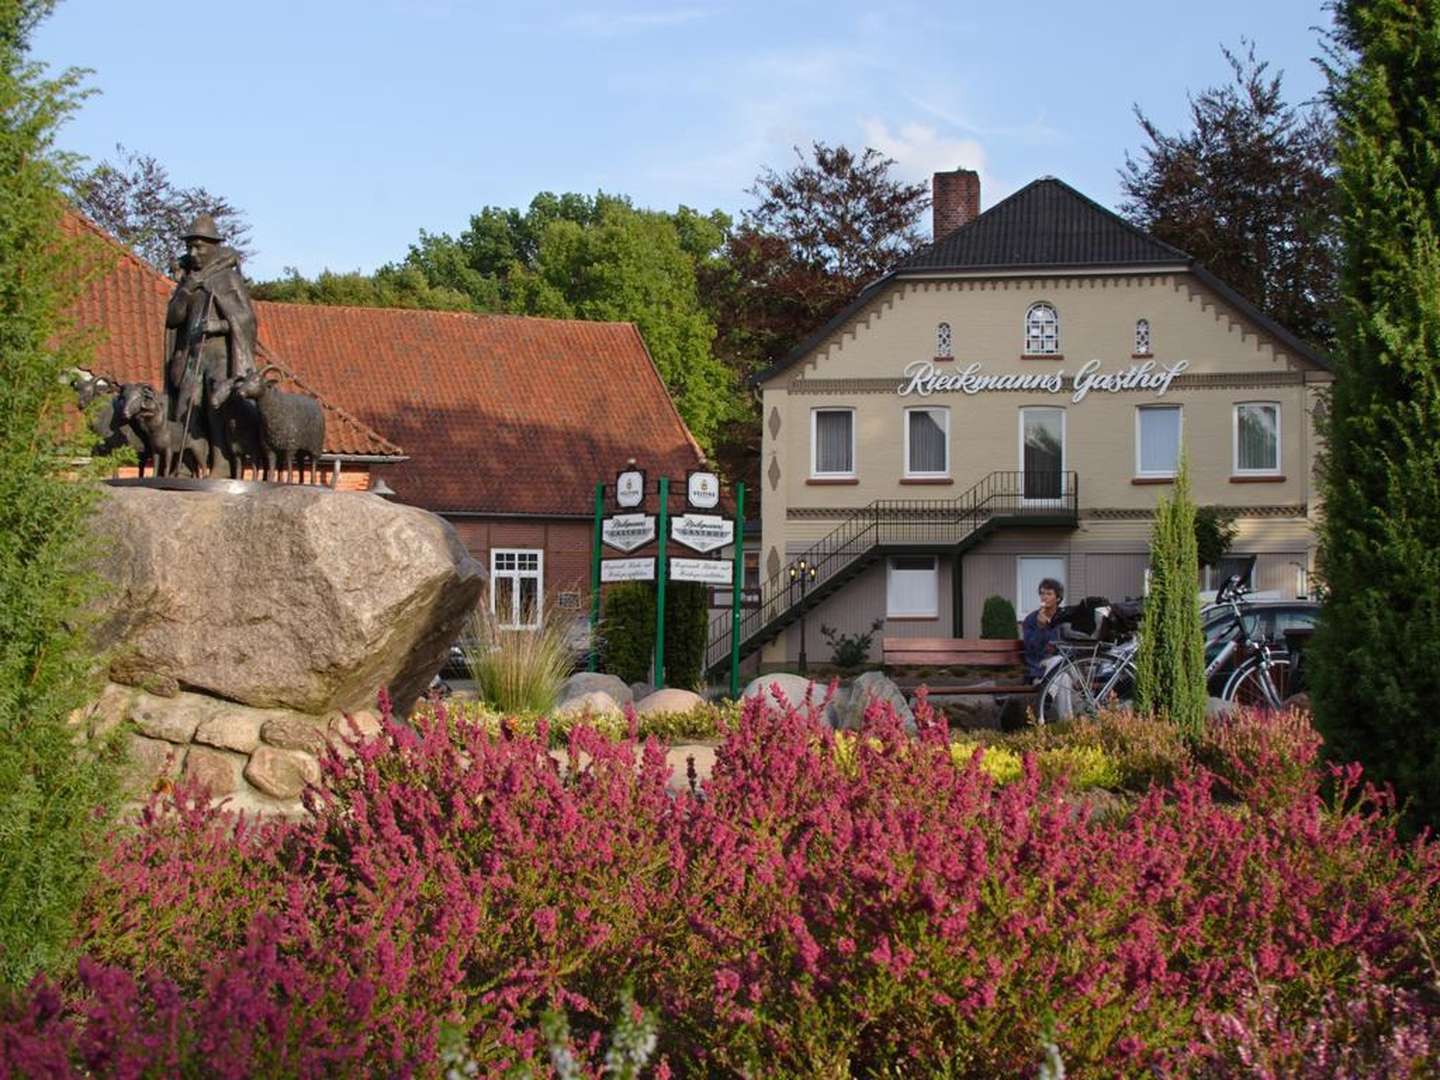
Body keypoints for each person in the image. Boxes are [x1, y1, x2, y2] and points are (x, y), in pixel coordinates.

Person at [163, 214, 257, 477]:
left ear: (213, 246)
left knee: (217, 410)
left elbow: (247, 319)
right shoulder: (189, 281)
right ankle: (185, 464)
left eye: (199, 247)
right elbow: (173, 319)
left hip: (221, 354)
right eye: (189, 247)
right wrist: (186, 290)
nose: (193, 253)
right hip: (193, 353)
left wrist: (218, 326)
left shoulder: (228, 278)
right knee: (185, 408)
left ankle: (222, 462)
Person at [1021, 577, 1065, 683]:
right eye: (1042, 593)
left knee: (1064, 677)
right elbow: (1032, 649)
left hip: (1063, 666)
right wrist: (1040, 628)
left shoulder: (1064, 618)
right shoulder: (1031, 619)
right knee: (1059, 663)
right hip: (1039, 667)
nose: (1044, 597)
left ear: (1058, 598)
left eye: (1049, 594)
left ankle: (1047, 694)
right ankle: (1047, 693)